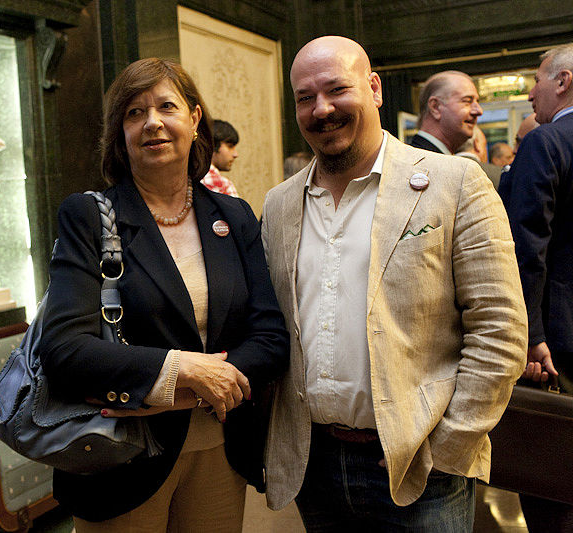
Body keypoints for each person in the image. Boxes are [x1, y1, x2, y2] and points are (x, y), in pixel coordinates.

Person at [261, 36, 527, 531]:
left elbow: (500, 331)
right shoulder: (278, 205)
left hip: (420, 472)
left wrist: (447, 445)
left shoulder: (456, 184)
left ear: (375, 88)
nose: (322, 109)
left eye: (337, 89)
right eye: (304, 97)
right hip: (313, 465)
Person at [38, 57, 289, 532]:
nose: (152, 122)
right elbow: (64, 350)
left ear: (195, 119)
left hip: (220, 449)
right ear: (120, 134)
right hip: (123, 454)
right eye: (134, 112)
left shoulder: (233, 217)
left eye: (166, 106)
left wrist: (199, 389)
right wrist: (181, 369)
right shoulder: (89, 217)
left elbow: (272, 335)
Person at [498, 43, 573, 531]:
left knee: (554, 491)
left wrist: (528, 334)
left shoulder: (547, 142)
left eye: (538, 79)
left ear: (563, 81)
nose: (531, 92)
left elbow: (525, 247)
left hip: (560, 345)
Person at [410, 70, 483, 154]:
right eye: (467, 101)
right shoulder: (418, 161)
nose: (479, 111)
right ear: (435, 107)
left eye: (477, 102)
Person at [201, 119, 240, 196]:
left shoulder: (187, 181)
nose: (236, 154)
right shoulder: (224, 186)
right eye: (230, 146)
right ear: (212, 145)